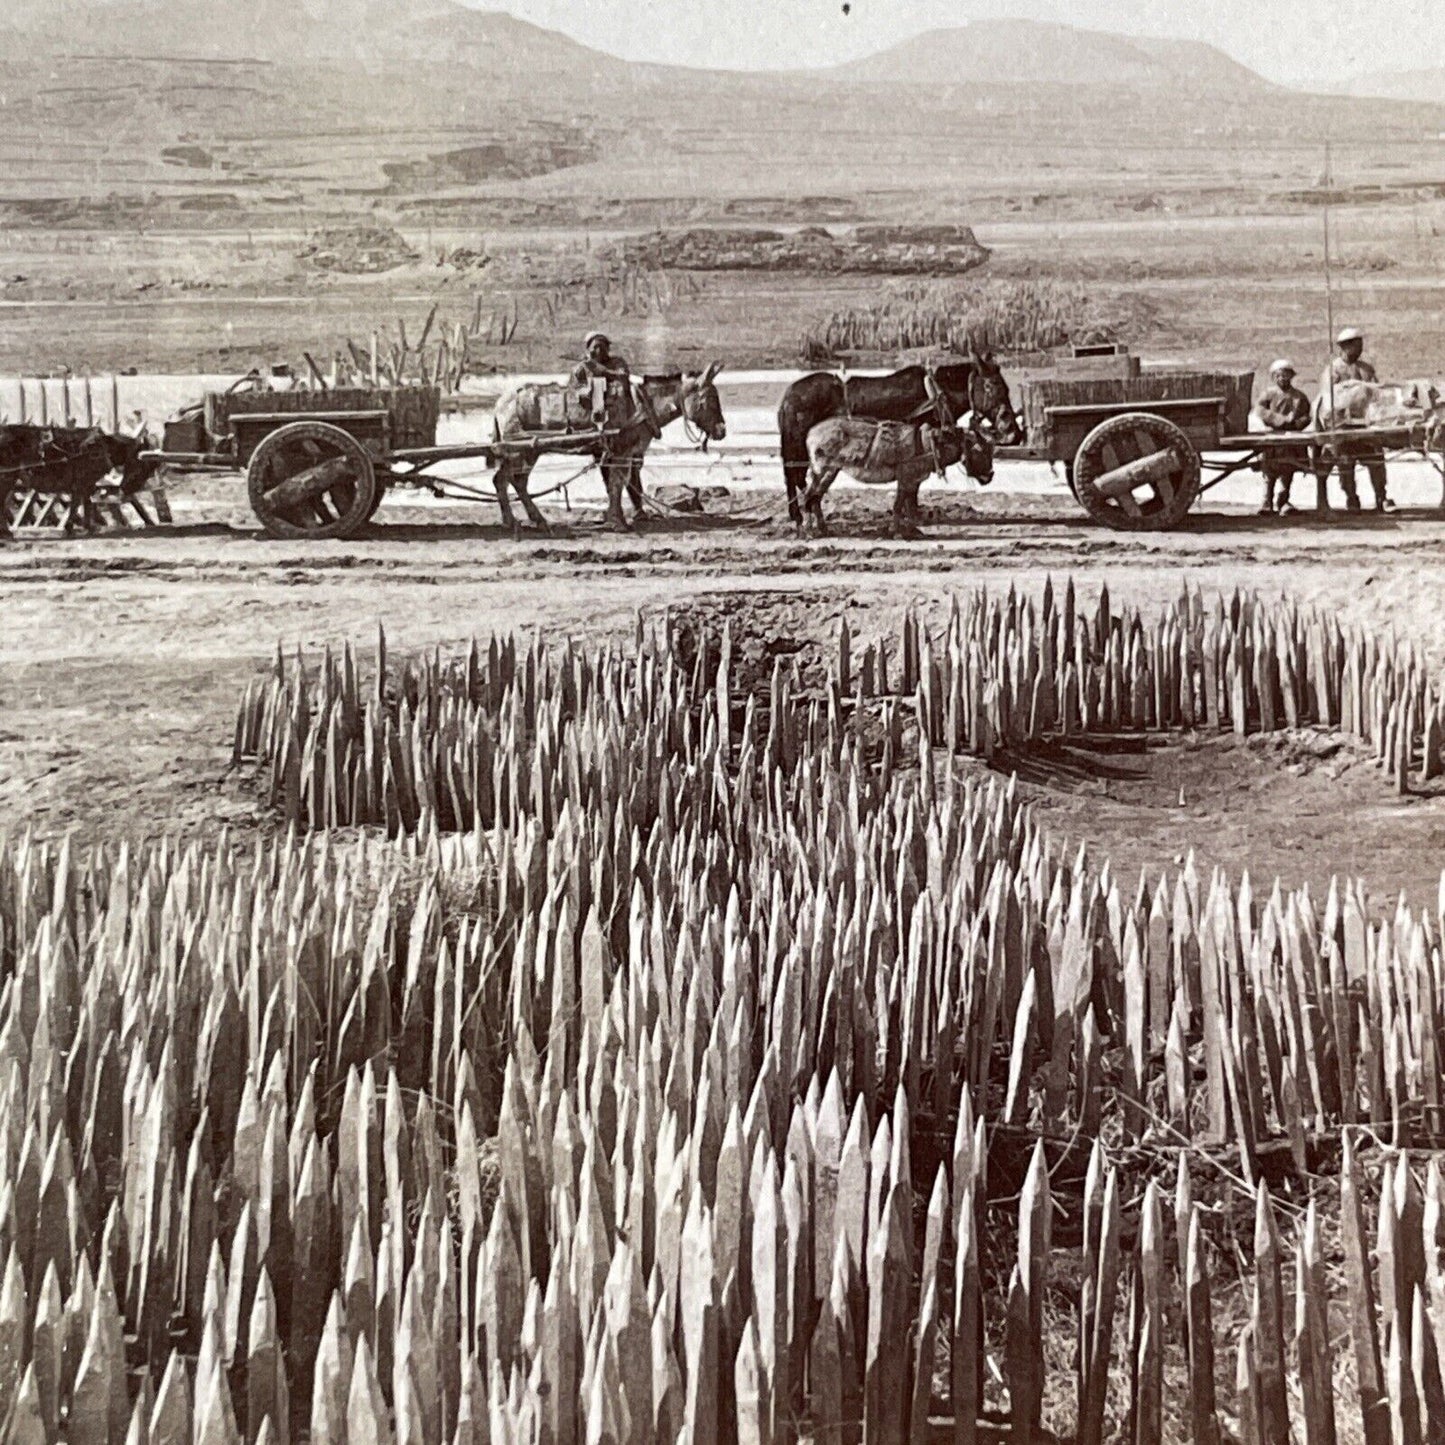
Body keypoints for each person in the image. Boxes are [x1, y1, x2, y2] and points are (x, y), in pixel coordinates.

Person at [1317, 326, 1393, 512]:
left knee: (1376, 457)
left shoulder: (1366, 369)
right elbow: (1329, 398)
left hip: (1365, 425)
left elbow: (1376, 393)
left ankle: (1381, 497)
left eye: (1361, 344)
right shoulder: (1333, 370)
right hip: (1342, 426)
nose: (1360, 348)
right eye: (1356, 345)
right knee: (1344, 461)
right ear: (1344, 347)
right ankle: (1352, 498)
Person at [1253, 360, 1311, 515]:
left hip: (1291, 438)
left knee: (1288, 470)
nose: (1282, 378)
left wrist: (1296, 423)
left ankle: (1283, 501)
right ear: (1274, 377)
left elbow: (1307, 416)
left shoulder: (1299, 397)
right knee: (1268, 470)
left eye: (1286, 374)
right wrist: (1279, 420)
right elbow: (1260, 410)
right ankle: (1266, 501)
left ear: (1291, 376)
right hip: (1272, 437)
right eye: (1279, 375)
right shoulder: (1268, 394)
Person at [571, 332, 631, 426]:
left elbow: (623, 375)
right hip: (591, 415)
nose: (598, 351)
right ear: (589, 349)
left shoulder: (617, 362)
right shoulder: (582, 368)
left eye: (601, 347)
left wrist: (604, 372)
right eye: (595, 347)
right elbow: (578, 391)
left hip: (617, 413)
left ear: (607, 348)